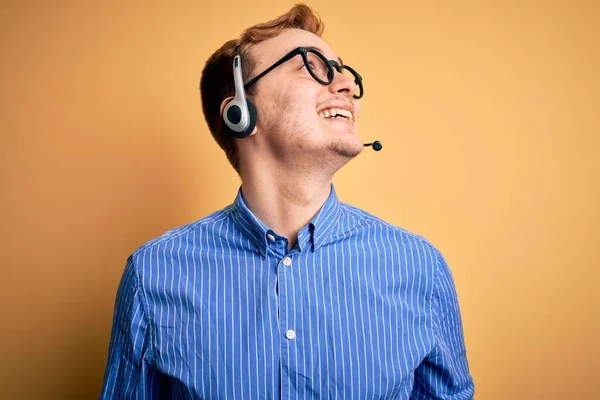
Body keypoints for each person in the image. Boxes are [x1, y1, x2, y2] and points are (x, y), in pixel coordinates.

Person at [100, 4, 474, 399]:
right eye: (311, 67)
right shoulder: (153, 275)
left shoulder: (419, 268)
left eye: (344, 73)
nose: (345, 85)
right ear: (241, 114)